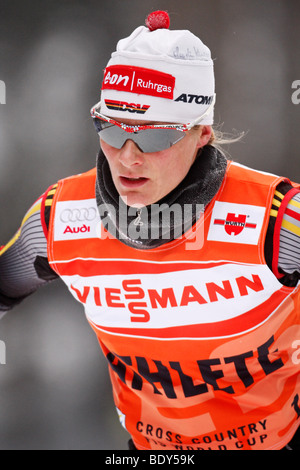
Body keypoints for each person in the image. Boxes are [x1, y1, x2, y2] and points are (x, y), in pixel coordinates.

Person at [0, 10, 300, 451]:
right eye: (112, 129)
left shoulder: (274, 218)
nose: (127, 157)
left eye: (154, 137)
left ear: (201, 133)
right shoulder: (62, 217)